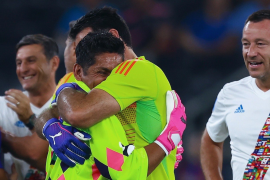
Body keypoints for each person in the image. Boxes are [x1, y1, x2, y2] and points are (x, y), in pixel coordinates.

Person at [35, 7, 185, 180]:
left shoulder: (139, 70)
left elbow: (76, 113)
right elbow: (49, 113)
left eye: (88, 42)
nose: (82, 52)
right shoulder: (79, 82)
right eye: (77, 47)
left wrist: (167, 142)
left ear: (113, 36)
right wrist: (49, 127)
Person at [200, 10, 270, 180]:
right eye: (246, 44)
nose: (251, 52)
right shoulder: (230, 93)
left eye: (260, 43)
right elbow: (211, 141)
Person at [0, 34, 60, 179]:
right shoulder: (3, 106)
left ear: (53, 63)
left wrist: (30, 119)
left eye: (31, 61)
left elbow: (42, 155)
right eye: (19, 63)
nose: (23, 69)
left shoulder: (68, 105)